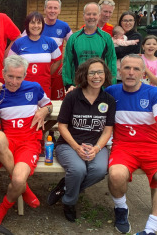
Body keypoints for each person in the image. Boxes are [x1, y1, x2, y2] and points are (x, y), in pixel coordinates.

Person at [46, 57, 116, 222]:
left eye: (100, 72)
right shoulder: (72, 97)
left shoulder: (109, 100)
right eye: (92, 73)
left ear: (105, 75)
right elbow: (61, 126)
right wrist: (77, 147)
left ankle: (65, 187)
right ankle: (69, 202)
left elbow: (107, 130)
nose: (96, 76)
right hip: (69, 145)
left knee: (100, 170)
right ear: (85, 75)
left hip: (96, 146)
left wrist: (97, 149)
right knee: (78, 170)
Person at [0, 55, 53, 224]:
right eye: (10, 76)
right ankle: (26, 190)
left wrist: (45, 111)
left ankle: (5, 205)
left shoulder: (34, 87)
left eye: (19, 77)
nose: (14, 82)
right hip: (7, 143)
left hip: (28, 142)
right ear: (3, 73)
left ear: (25, 75)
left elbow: (49, 104)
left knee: (18, 180)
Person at [105, 54, 157, 234]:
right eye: (127, 68)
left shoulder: (153, 93)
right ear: (120, 71)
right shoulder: (111, 91)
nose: (131, 73)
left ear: (143, 73)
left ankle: (151, 227)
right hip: (123, 147)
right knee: (116, 175)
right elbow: (89, 99)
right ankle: (121, 208)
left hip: (152, 147)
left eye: (136, 69)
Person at [62, 2, 117, 91]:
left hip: (100, 87)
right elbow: (67, 63)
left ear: (99, 16)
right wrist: (68, 84)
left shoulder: (106, 38)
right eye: (88, 14)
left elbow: (111, 62)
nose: (91, 17)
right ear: (83, 16)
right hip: (78, 87)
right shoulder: (73, 38)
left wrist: (111, 85)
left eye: (94, 14)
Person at [9, 11, 62, 98]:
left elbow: (58, 60)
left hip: (44, 86)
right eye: (32, 23)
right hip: (23, 86)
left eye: (39, 23)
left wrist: (48, 74)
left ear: (42, 25)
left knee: (44, 110)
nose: (36, 26)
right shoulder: (19, 42)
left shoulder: (50, 42)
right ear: (27, 25)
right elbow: (9, 63)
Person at [42, 0, 73, 101]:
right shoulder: (36, 24)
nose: (52, 11)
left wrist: (65, 65)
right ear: (44, 9)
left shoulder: (64, 26)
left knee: (57, 102)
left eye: (55, 8)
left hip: (57, 72)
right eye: (50, 8)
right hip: (40, 71)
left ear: (59, 10)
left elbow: (73, 45)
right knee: (41, 100)